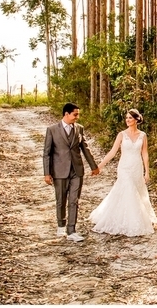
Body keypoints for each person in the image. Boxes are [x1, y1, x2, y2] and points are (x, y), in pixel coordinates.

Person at [89, 109, 157, 236]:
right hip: (124, 167)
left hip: (137, 167)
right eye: (126, 118)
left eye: (130, 118)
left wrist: (147, 172)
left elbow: (145, 153)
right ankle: (126, 222)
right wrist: (99, 166)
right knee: (128, 189)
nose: (127, 120)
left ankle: (136, 218)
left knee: (137, 191)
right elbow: (112, 152)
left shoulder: (143, 135)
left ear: (137, 119)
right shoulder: (121, 134)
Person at [43, 102, 99, 242]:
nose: (77, 117)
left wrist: (93, 166)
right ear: (66, 114)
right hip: (59, 171)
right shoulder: (52, 130)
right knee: (61, 200)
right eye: (75, 114)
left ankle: (71, 230)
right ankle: (61, 226)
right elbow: (47, 153)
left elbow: (85, 148)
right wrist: (47, 173)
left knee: (74, 200)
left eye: (78, 114)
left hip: (77, 170)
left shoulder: (79, 129)